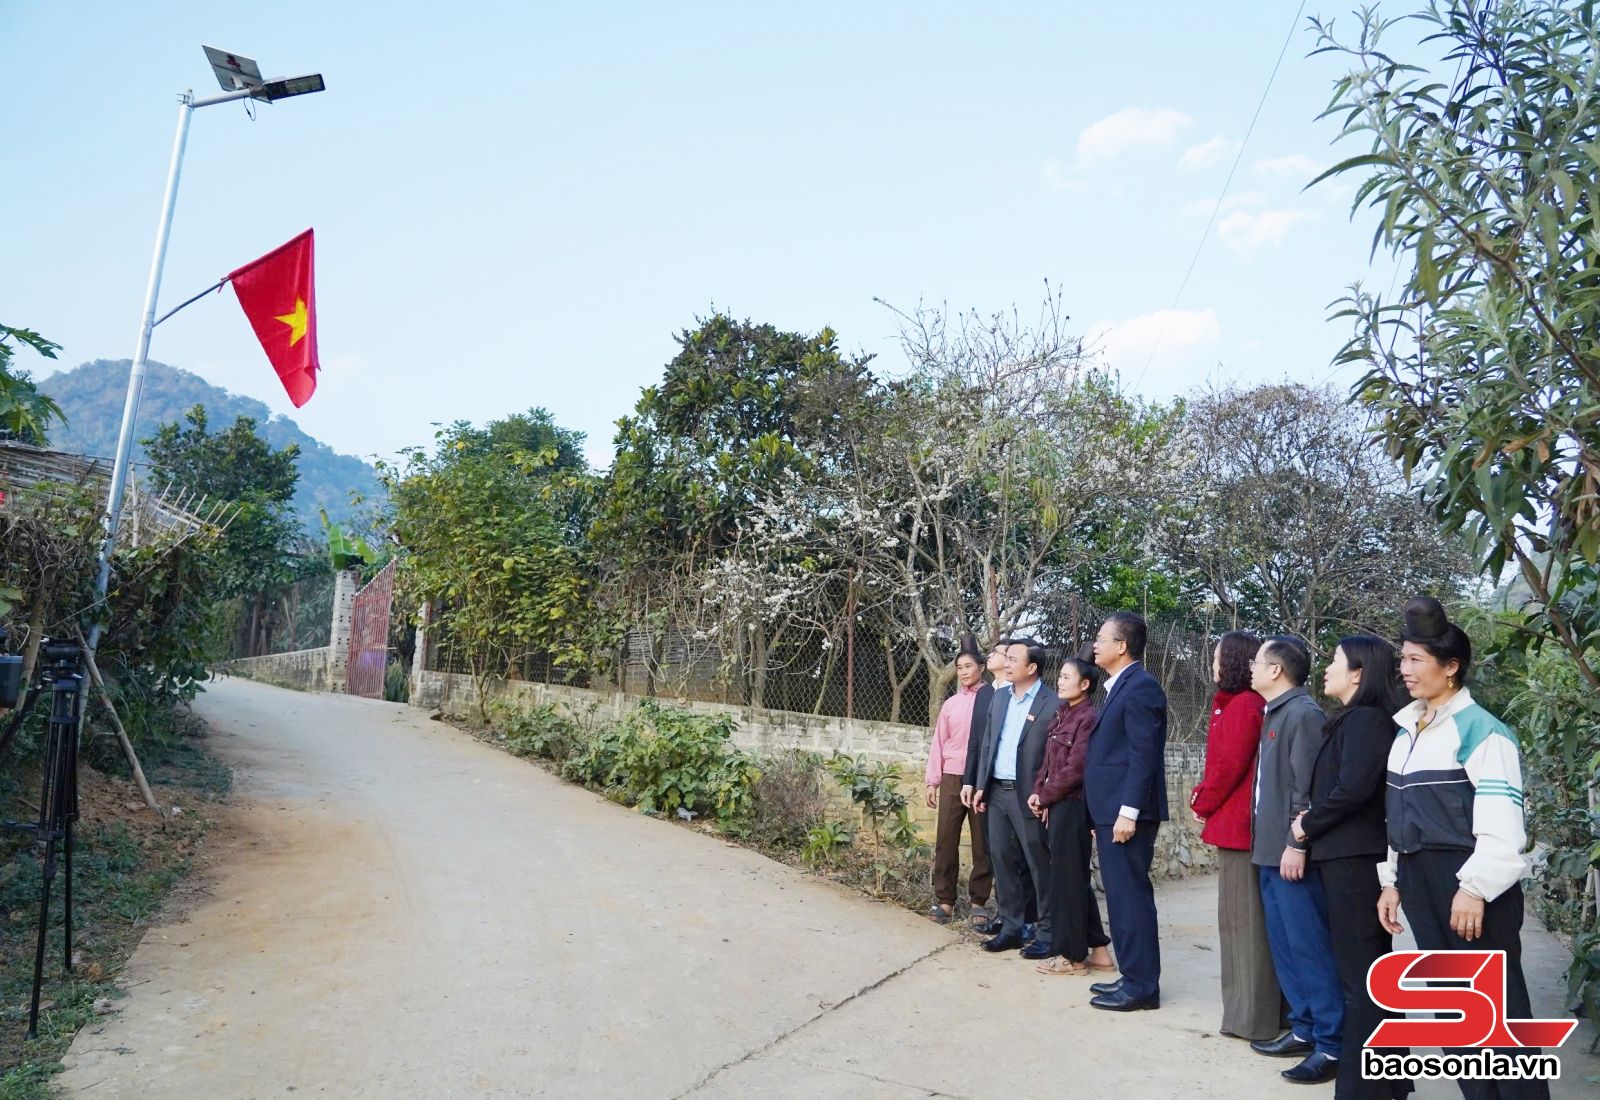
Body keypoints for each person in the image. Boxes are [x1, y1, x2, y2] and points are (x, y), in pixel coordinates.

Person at [1376, 598, 1546, 1100]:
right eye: (1403, 659)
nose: (1404, 670)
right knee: (1454, 1010)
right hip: (1420, 880)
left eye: (1416, 659)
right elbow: (1397, 815)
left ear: (1450, 667)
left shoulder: (1482, 731)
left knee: (1498, 1010)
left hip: (1468, 882)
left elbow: (1502, 824)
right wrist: (1392, 880)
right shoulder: (1407, 730)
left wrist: (1474, 888)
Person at [1292, 636, 1414, 1100]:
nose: (1326, 668)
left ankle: (1367, 1089)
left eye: (1335, 661)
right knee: (1368, 974)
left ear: (1359, 673)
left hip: (1355, 861)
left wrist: (1307, 825)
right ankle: (1390, 1081)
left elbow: (1353, 789)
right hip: (1347, 857)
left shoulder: (1366, 720)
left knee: (1363, 978)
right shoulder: (1356, 719)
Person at [1248, 635, 1342, 1085]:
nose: (1250, 667)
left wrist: (1296, 843)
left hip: (1289, 852)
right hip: (1268, 850)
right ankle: (1303, 1028)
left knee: (1309, 946)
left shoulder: (1303, 714)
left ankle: (1331, 1042)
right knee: (1285, 946)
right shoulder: (1275, 712)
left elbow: (1308, 790)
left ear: (1276, 670)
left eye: (1257, 661)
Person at [1188, 630, 1281, 1042]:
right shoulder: (1241, 703)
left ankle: (1250, 1018)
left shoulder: (1243, 705)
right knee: (1245, 924)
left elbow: (1227, 765)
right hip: (1241, 827)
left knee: (1242, 925)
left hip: (1239, 830)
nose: (1212, 664)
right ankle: (1259, 1014)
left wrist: (1201, 801)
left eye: (1217, 657)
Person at [1085, 611, 1168, 1012]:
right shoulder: (1120, 686)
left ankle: (1142, 986)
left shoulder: (1141, 687)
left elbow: (1142, 755)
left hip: (1125, 814)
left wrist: (1128, 812)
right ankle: (1133, 975)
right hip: (1111, 811)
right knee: (1120, 899)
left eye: (1101, 639)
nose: (1094, 644)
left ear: (1121, 646)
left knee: (1130, 897)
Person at [970, 638, 1060, 956]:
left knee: (1038, 864)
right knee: (1002, 860)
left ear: (1032, 667)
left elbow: (1055, 756)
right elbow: (987, 744)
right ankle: (1011, 928)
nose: (1006, 663)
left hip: (1030, 796)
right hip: (996, 792)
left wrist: (1046, 794)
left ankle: (1047, 932)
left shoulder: (1052, 703)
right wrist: (980, 785)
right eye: (1005, 658)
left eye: (1013, 659)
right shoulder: (999, 698)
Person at [1027, 656, 1114, 976]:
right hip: (1057, 804)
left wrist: (1046, 796)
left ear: (1085, 684)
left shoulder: (1088, 718)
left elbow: (1075, 769)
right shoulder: (1062, 714)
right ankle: (1100, 952)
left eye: (1067, 677)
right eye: (1060, 676)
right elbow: (1048, 763)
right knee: (1072, 879)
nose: (1060, 681)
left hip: (1073, 807)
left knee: (1067, 883)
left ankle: (1072, 957)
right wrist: (1038, 792)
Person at [924, 646, 993, 924]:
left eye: (968, 666)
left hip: (981, 779)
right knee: (945, 839)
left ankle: (978, 902)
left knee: (982, 842)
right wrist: (933, 781)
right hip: (952, 776)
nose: (963, 672)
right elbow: (939, 743)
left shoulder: (993, 699)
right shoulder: (950, 704)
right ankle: (945, 901)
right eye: (959, 668)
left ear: (982, 667)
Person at [961, 638, 1006, 932]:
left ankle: (1014, 913)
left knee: (1010, 851)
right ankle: (1000, 912)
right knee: (990, 845)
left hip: (1013, 784)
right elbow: (976, 741)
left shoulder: (1020, 693)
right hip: (984, 783)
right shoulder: (986, 694)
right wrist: (970, 781)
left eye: (997, 652)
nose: (990, 655)